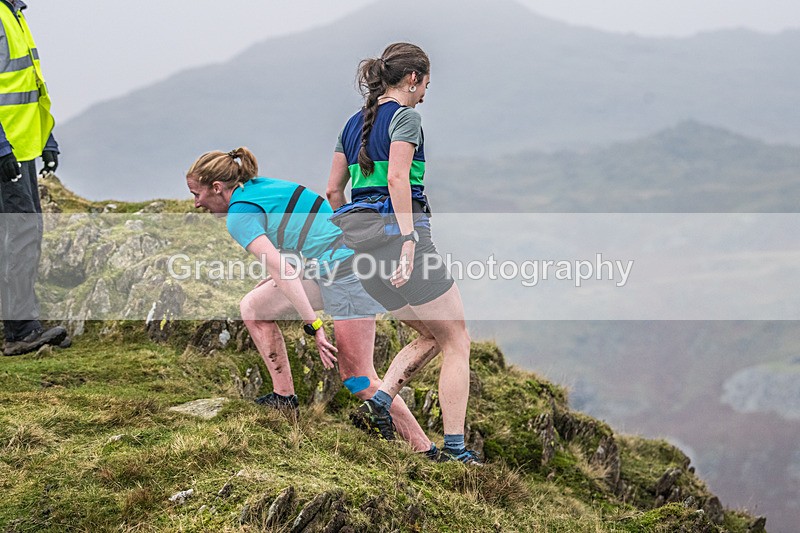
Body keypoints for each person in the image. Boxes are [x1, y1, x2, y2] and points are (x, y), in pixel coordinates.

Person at [185, 147, 439, 457]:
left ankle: (426, 450)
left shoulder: (239, 215)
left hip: (347, 273)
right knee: (254, 307)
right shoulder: (258, 187)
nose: (196, 203)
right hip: (333, 264)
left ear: (216, 187)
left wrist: (314, 325)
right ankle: (284, 399)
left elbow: (282, 268)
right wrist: (298, 269)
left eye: (196, 193)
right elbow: (311, 228)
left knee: (359, 379)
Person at [327, 43, 479, 463]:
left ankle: (380, 402)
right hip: (402, 245)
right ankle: (455, 449)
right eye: (426, 83)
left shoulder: (351, 124)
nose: (426, 93)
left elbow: (333, 192)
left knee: (432, 333)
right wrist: (409, 241)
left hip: (365, 254)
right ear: (413, 78)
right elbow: (397, 179)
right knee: (457, 341)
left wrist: (358, 233)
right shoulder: (406, 117)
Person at [0, 0, 68, 356]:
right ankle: (20, 331)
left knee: (25, 234)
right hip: (7, 150)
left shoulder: (13, 13)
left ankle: (25, 326)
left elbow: (30, 86)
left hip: (22, 148)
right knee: (19, 235)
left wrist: (46, 139)